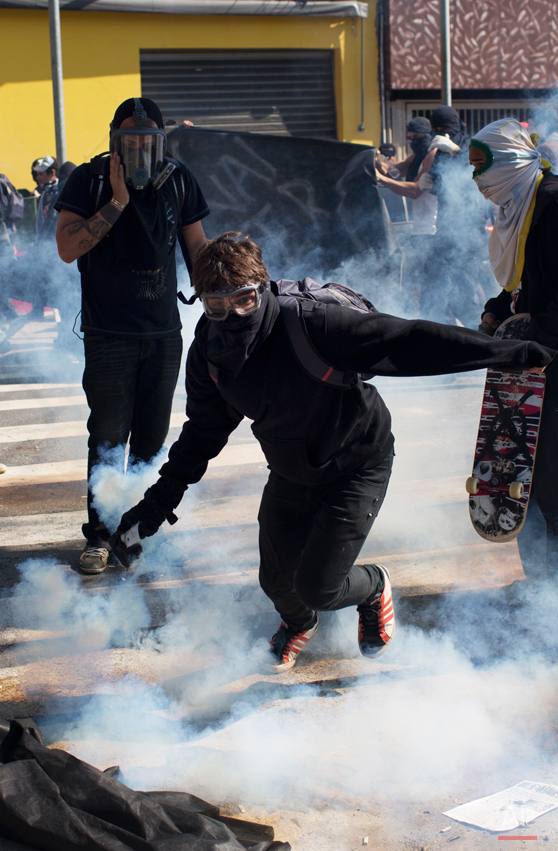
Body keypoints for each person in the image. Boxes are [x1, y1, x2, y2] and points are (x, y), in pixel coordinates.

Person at [111, 232, 554, 671]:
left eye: (244, 300)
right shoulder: (209, 352)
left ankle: (373, 585)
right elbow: (200, 437)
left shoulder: (313, 324)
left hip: (357, 464)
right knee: (276, 582)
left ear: (262, 290)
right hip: (291, 471)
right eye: (216, 305)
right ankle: (300, 625)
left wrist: (511, 353)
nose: (232, 315)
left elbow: (412, 340)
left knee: (319, 586)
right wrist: (151, 509)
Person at [55, 97, 209, 574]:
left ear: (161, 143)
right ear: (114, 143)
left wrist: (226, 296)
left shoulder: (178, 179)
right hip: (109, 336)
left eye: (149, 141)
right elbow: (65, 247)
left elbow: (197, 245)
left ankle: (137, 534)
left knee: (150, 442)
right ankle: (100, 536)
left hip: (163, 333)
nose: (140, 150)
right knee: (106, 439)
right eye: (130, 141)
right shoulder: (90, 179)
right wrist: (118, 202)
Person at [469, 117, 558, 587]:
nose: (476, 179)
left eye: (482, 167)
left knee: (551, 482)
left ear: (512, 163)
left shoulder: (554, 204)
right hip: (529, 362)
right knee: (516, 478)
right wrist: (495, 311)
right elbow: (519, 283)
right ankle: (539, 592)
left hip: (550, 360)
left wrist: (541, 338)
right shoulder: (516, 208)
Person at [376, 117, 437, 314]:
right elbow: (394, 172)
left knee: (426, 286)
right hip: (420, 229)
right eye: (409, 138)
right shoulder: (415, 157)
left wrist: (381, 179)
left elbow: (414, 190)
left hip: (433, 230)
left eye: (417, 138)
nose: (412, 143)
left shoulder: (433, 154)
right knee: (414, 283)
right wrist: (377, 159)